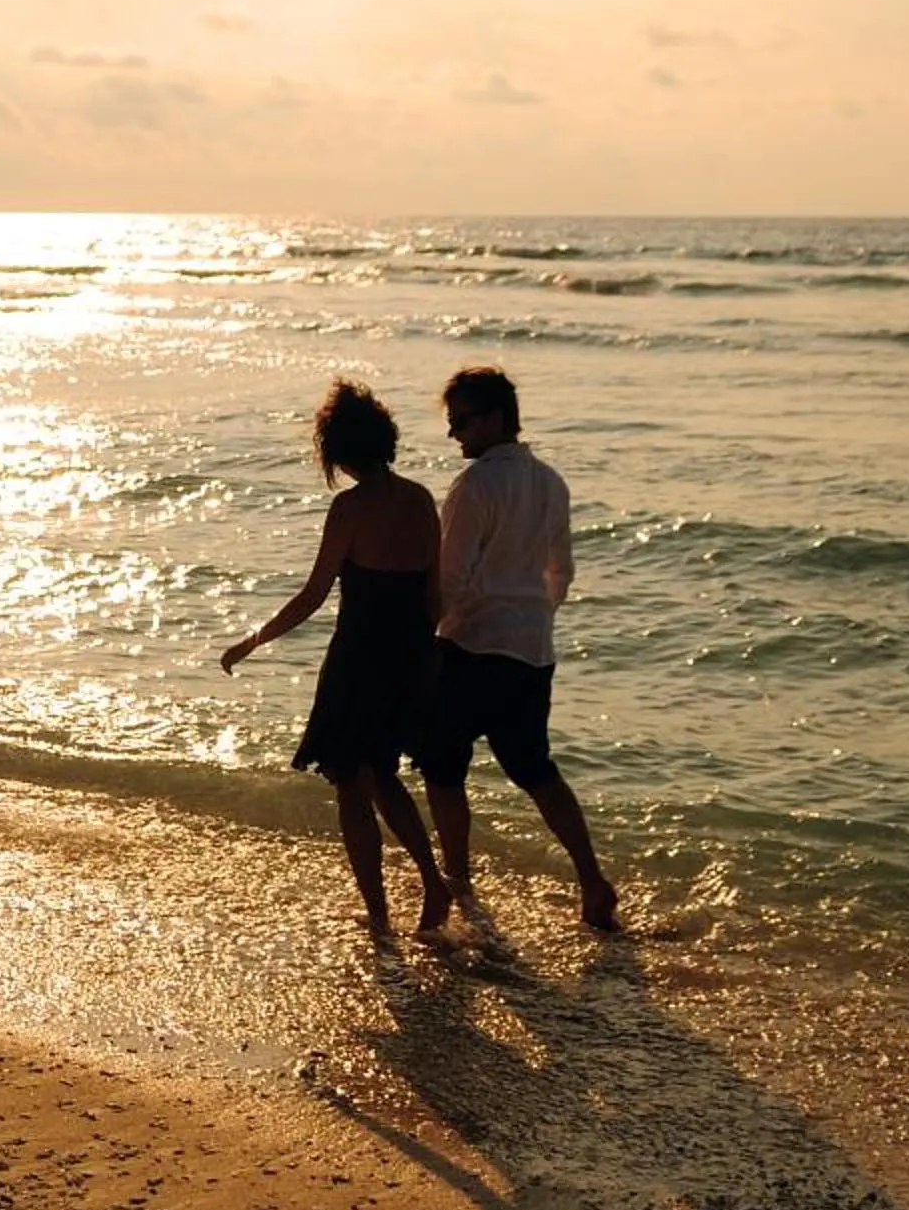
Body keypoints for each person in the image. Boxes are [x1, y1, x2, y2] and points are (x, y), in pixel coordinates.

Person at [221, 379, 456, 935]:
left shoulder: (349, 509)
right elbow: (434, 593)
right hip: (412, 654)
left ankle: (379, 917)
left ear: (338, 451)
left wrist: (253, 641)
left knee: (353, 785)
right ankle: (432, 882)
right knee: (383, 777)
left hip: (360, 659)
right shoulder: (421, 498)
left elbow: (312, 595)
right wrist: (433, 659)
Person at [419, 365, 618, 932]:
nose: (454, 434)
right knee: (536, 771)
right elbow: (562, 571)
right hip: (531, 650)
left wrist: (427, 633)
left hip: (472, 644)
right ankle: (591, 878)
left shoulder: (476, 484)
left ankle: (458, 880)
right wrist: (534, 617)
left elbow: (450, 577)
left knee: (443, 769)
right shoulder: (551, 481)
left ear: (495, 419)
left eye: (461, 422)